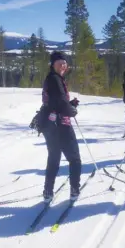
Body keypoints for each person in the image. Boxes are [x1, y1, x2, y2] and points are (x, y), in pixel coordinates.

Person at [41, 51, 81, 202]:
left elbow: (57, 102)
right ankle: (75, 190)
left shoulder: (53, 79)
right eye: (59, 62)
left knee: (54, 158)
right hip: (61, 125)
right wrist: (71, 110)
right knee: (75, 159)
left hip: (50, 125)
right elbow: (61, 102)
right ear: (53, 64)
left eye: (64, 62)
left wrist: (70, 105)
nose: (63, 65)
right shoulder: (55, 79)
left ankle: (48, 192)